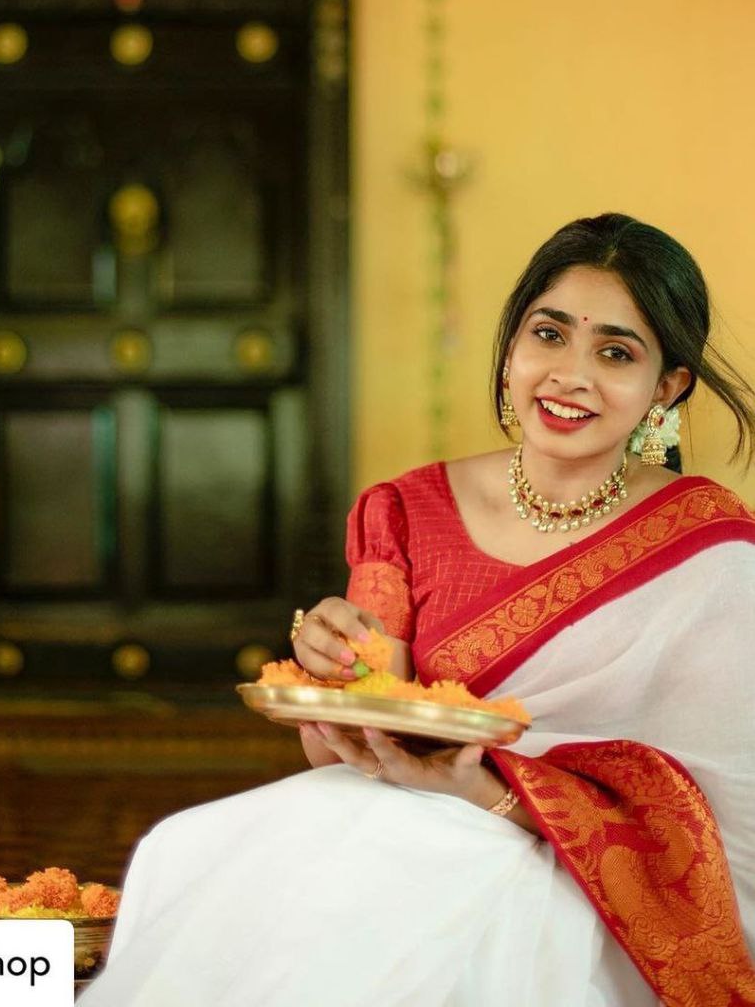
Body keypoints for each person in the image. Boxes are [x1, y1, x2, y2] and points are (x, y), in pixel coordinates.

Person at [80, 214, 755, 1007]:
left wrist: (488, 797)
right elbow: (344, 752)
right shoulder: (407, 510)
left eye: (614, 352)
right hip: (387, 811)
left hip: (564, 870)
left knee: (393, 919)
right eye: (548, 334)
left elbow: (712, 821)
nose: (568, 375)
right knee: (193, 849)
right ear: (510, 350)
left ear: (666, 387)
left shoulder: (707, 548)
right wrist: (332, 671)